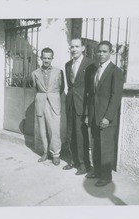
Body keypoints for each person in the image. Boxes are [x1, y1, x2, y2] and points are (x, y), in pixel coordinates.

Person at [84, 40, 124, 187]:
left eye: (104, 51)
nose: (101, 54)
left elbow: (116, 97)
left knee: (106, 147)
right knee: (95, 145)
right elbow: (91, 95)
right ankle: (97, 171)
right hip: (94, 115)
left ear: (110, 53)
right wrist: (88, 114)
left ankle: (106, 176)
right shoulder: (95, 70)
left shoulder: (116, 71)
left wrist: (107, 117)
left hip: (107, 117)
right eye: (99, 51)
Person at [63, 38, 92, 175]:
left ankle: (84, 165)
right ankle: (72, 161)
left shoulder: (90, 63)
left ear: (83, 48)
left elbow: (92, 90)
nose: (74, 49)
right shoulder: (68, 64)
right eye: (72, 47)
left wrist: (87, 110)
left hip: (82, 105)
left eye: (77, 46)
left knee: (81, 136)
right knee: (70, 134)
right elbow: (70, 86)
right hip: (70, 104)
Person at [31, 47, 64, 166]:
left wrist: (52, 97)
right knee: (42, 129)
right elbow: (35, 89)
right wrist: (42, 97)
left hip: (53, 104)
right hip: (40, 103)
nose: (46, 60)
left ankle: (55, 154)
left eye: (49, 58)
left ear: (52, 58)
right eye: (44, 58)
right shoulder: (35, 73)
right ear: (41, 58)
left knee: (54, 130)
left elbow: (61, 88)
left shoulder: (59, 72)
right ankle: (45, 152)